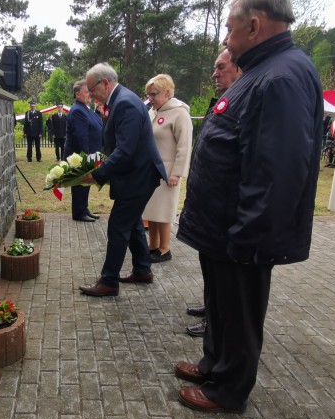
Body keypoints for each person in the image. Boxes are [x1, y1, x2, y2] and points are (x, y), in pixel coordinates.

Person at [175, 0, 323, 413]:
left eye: (229, 27)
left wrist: (249, 235)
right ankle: (214, 364)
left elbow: (277, 169)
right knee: (221, 304)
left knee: (239, 310)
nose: (225, 37)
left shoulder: (280, 78)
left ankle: (228, 389)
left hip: (241, 233)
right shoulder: (261, 71)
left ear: (254, 26)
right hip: (221, 228)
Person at [78, 63, 167, 297]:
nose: (90, 95)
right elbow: (116, 144)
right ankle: (143, 270)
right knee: (133, 222)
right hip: (136, 174)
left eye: (92, 89)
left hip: (139, 177)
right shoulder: (118, 100)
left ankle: (109, 282)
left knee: (118, 226)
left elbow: (125, 151)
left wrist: (96, 175)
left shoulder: (125, 103)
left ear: (105, 83)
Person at [185, 48, 242, 338]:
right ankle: (211, 307)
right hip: (208, 202)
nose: (214, 74)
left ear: (239, 68)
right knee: (208, 263)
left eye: (221, 67)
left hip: (224, 205)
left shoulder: (242, 101)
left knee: (222, 271)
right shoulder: (221, 100)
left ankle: (216, 321)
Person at [142, 74, 193, 264]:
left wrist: (177, 173)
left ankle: (165, 249)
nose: (150, 98)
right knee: (152, 210)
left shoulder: (180, 113)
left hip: (168, 172)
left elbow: (184, 146)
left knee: (163, 212)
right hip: (151, 171)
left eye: (153, 94)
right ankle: (153, 245)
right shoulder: (152, 112)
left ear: (167, 92)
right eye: (148, 95)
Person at [64, 81, 103, 222]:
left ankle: (84, 209)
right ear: (77, 94)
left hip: (90, 154)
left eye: (90, 92)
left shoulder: (85, 108)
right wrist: (86, 158)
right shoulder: (78, 111)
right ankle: (79, 212)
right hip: (81, 155)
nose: (90, 95)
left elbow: (96, 124)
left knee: (85, 183)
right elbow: (81, 137)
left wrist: (98, 112)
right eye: (87, 92)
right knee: (80, 183)